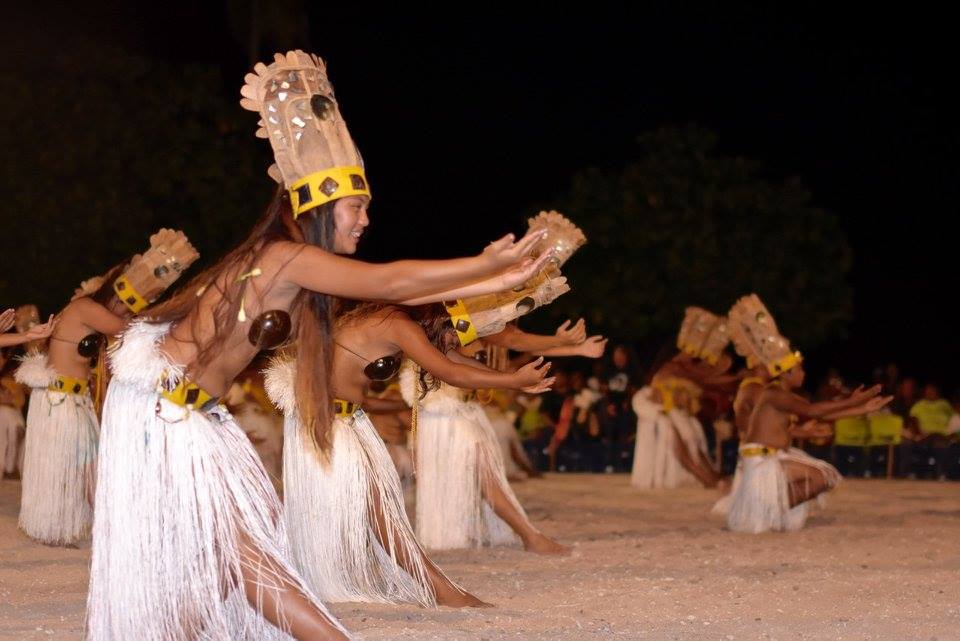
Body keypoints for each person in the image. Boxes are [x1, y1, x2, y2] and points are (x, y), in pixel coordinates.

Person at [86, 50, 554, 641]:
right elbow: (393, 281)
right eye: (358, 207)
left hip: (178, 409)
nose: (364, 220)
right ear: (322, 204)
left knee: (233, 549)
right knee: (245, 549)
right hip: (163, 410)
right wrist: (485, 264)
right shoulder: (287, 258)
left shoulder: (291, 268)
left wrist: (497, 282)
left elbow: (402, 292)